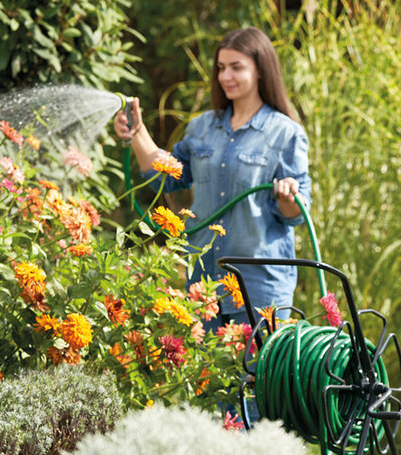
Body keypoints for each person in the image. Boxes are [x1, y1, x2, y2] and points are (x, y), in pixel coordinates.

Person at [114, 27, 312, 330]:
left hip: (259, 290)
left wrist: (288, 197)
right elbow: (164, 178)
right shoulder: (202, 127)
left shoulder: (285, 133)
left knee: (251, 377)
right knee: (202, 376)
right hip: (202, 284)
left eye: (236, 67)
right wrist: (138, 132)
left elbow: (295, 215)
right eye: (221, 68)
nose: (225, 76)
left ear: (261, 71)